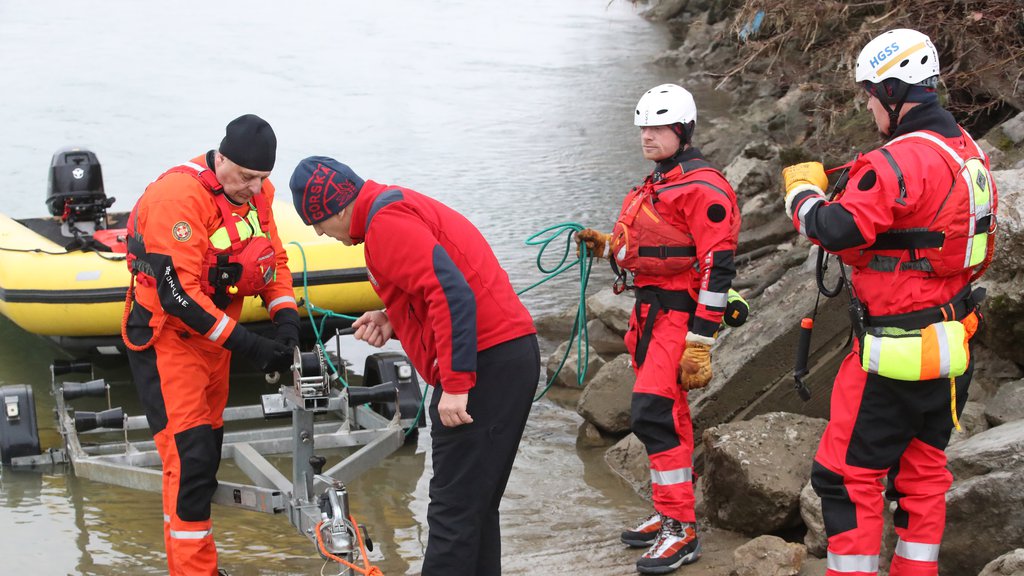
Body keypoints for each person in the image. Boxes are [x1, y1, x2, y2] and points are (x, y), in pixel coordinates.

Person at [781, 29, 996, 576]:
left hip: (890, 352)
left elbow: (837, 229)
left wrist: (801, 196)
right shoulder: (967, 151)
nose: (869, 106)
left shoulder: (899, 160)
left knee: (845, 476)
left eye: (871, 94)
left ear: (895, 90)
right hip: (951, 346)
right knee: (922, 475)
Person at [288, 156, 539, 576]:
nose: (317, 233)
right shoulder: (394, 205)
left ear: (340, 207)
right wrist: (393, 316)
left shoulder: (386, 227)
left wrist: (457, 384)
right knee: (475, 507)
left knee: (451, 512)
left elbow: (453, 295)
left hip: (484, 365)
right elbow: (438, 289)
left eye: (318, 222)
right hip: (505, 356)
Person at [122, 114, 299, 576]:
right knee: (191, 457)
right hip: (169, 339)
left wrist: (286, 322)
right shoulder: (177, 198)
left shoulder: (259, 196)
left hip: (215, 342)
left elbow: (273, 260)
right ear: (221, 158)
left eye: (262, 179)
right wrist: (252, 347)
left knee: (205, 453)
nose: (254, 188)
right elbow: (179, 297)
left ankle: (194, 563)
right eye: (245, 177)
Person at [576, 83, 740, 574]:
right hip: (649, 315)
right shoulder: (661, 180)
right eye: (643, 126)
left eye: (658, 127)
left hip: (677, 319)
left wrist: (701, 340)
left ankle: (680, 530)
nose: (646, 135)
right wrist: (608, 247)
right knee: (671, 416)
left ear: (683, 130)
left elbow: (718, 268)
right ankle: (672, 511)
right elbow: (655, 243)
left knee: (652, 416)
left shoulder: (704, 188)